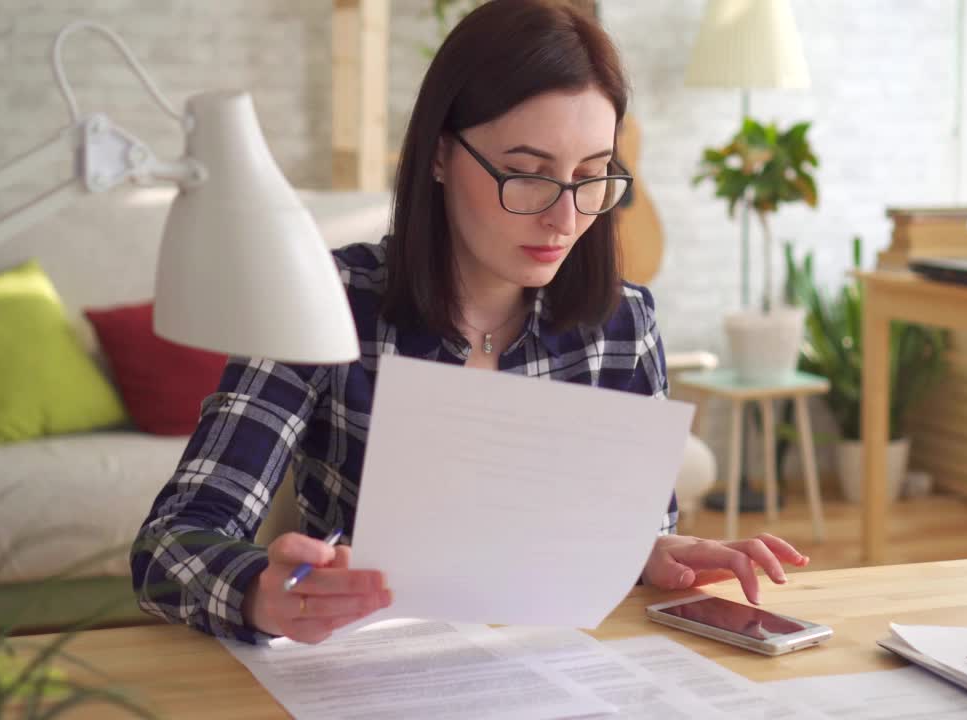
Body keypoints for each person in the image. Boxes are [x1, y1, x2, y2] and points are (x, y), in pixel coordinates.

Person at [131, 0, 808, 646]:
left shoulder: (622, 323)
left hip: (558, 670)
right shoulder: (326, 300)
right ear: (438, 155)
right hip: (367, 672)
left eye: (593, 175)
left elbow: (626, 537)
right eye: (526, 174)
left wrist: (658, 552)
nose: (565, 219)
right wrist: (259, 591)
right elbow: (172, 541)